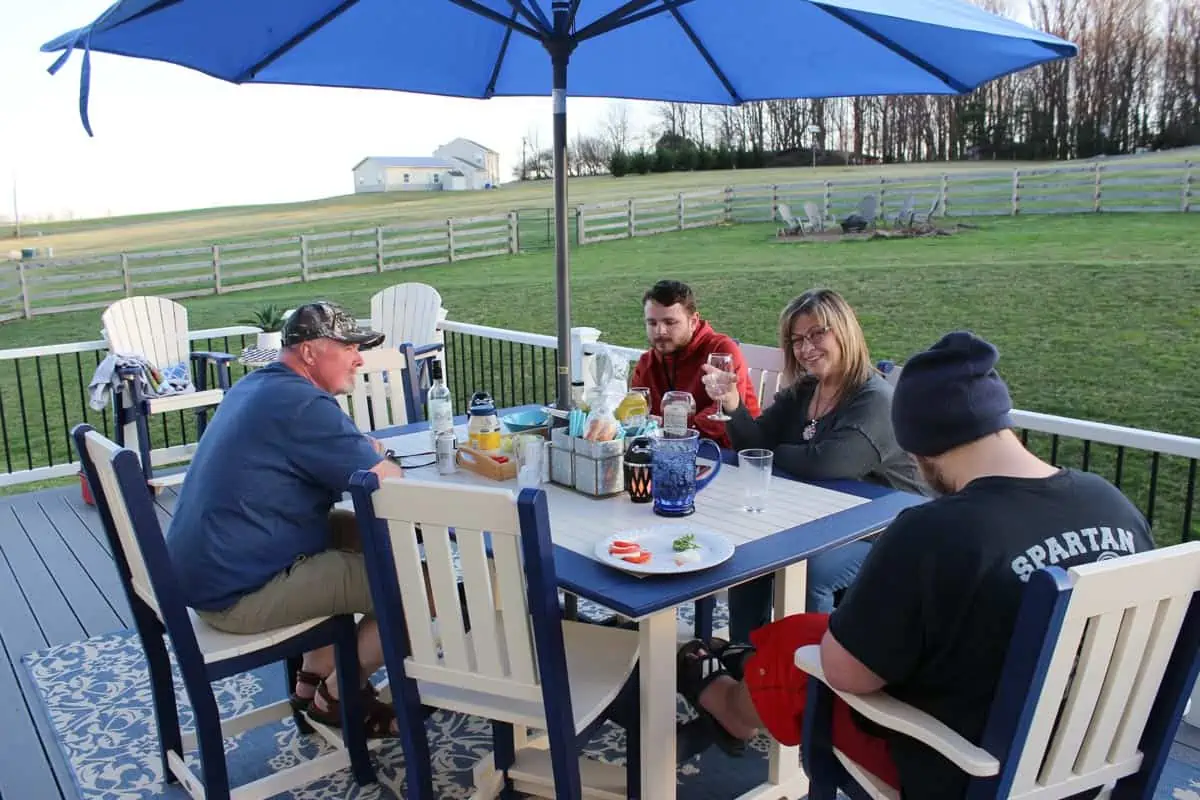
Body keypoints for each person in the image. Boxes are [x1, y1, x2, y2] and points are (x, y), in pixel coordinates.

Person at [677, 331, 1155, 798]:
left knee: (801, 652)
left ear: (922, 445)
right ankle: (743, 665)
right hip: (1093, 754)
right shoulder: (1113, 504)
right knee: (804, 633)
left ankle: (729, 699)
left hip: (967, 768)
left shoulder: (934, 531)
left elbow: (845, 676)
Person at [166, 300, 404, 738]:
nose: (359, 358)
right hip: (240, 593)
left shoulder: (258, 385)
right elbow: (385, 483)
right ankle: (338, 695)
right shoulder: (301, 404)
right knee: (415, 586)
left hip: (214, 567)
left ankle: (312, 676)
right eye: (348, 346)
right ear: (310, 352)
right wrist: (382, 456)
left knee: (366, 537)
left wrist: (365, 455)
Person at [701, 288, 924, 627]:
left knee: (812, 571)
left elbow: (828, 463)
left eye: (817, 334)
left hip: (889, 529)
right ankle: (745, 661)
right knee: (748, 554)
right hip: (824, 515)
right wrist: (732, 402)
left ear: (844, 330)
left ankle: (812, 672)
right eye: (796, 340)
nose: (806, 348)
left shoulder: (875, 399)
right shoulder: (805, 390)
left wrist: (771, 454)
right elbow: (752, 446)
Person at [630, 279, 760, 448]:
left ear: (693, 321)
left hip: (731, 453)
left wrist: (672, 429)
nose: (660, 331)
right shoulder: (647, 363)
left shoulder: (721, 350)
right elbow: (636, 414)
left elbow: (722, 415)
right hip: (671, 450)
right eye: (652, 323)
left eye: (670, 322)